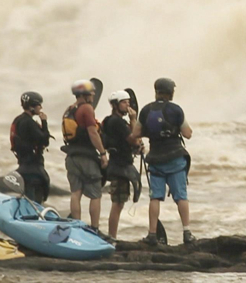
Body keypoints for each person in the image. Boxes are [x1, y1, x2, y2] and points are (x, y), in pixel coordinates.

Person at [133, 78, 195, 245]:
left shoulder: (146, 110)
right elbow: (188, 133)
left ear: (156, 91)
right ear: (171, 92)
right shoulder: (176, 110)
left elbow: (136, 133)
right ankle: (187, 232)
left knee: (155, 198)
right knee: (181, 196)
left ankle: (152, 234)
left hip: (155, 159)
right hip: (175, 159)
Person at [60, 79, 112, 242]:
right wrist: (103, 153)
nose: (94, 95)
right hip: (86, 157)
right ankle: (95, 229)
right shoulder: (86, 109)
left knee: (76, 193)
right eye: (92, 93)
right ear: (85, 94)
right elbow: (92, 133)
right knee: (95, 194)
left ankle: (76, 225)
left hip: (71, 156)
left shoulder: (69, 109)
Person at [102, 90, 144, 240]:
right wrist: (134, 120)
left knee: (118, 202)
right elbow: (134, 139)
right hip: (120, 166)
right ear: (115, 105)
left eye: (128, 102)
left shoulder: (109, 121)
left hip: (117, 163)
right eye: (124, 102)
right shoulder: (118, 122)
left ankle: (112, 236)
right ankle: (112, 237)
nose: (128, 105)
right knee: (118, 203)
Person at [10, 91, 52, 204]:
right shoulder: (29, 122)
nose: (41, 107)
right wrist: (44, 122)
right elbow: (45, 140)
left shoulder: (18, 120)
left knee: (28, 192)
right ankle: (34, 217)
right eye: (39, 105)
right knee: (37, 194)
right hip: (32, 165)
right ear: (32, 106)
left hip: (23, 161)